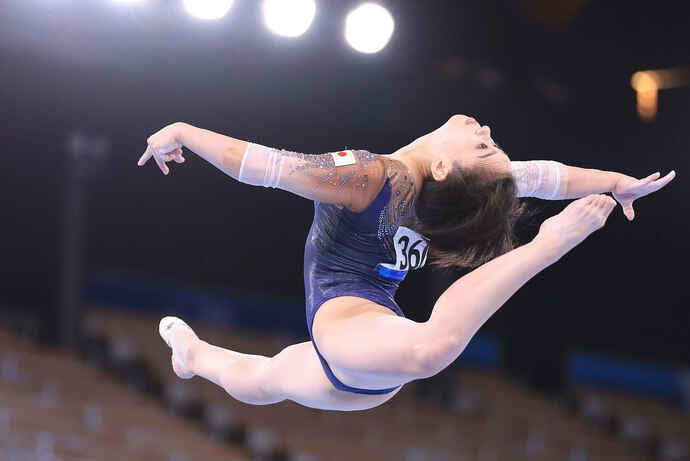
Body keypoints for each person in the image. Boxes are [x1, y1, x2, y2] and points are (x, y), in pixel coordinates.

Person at [137, 115, 675, 411]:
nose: (488, 133)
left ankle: (546, 246)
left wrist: (184, 133)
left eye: (486, 148)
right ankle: (196, 356)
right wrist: (613, 181)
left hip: (350, 324)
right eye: (492, 146)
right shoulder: (457, 187)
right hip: (367, 359)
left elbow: (271, 168)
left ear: (442, 166)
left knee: (434, 346)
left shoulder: (376, 178)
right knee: (266, 378)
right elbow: (549, 178)